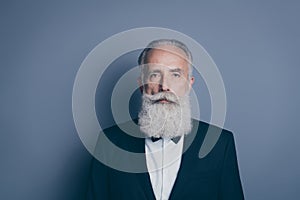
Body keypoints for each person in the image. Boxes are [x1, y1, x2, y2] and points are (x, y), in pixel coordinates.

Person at [86, 39, 244, 199]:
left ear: (189, 84)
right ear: (142, 84)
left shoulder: (219, 143)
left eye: (175, 75)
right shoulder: (110, 142)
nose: (164, 86)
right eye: (154, 74)